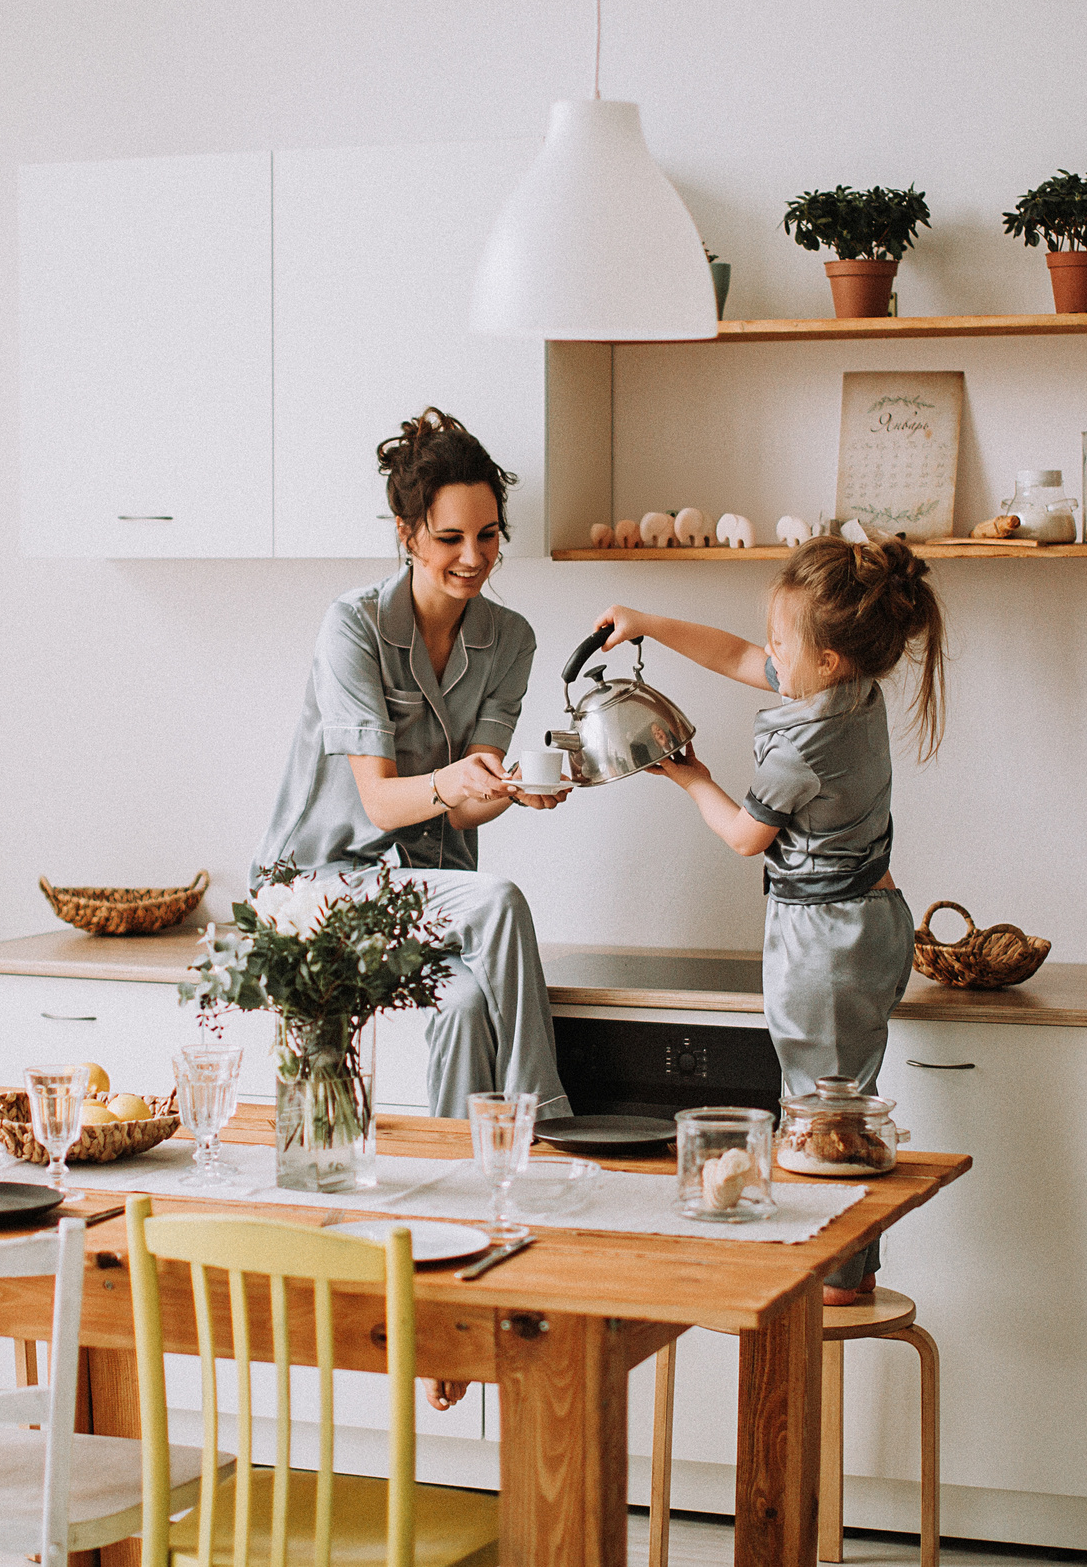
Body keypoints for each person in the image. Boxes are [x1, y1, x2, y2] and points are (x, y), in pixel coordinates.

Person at [594, 533, 946, 1300]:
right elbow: (733, 654)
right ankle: (847, 1268)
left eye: (782, 641)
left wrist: (688, 776)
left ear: (827, 659)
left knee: (823, 1119)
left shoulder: (804, 748)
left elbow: (744, 836)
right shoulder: (855, 691)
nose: (769, 652)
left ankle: (836, 1283)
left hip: (825, 942)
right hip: (876, 917)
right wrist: (646, 621)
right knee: (845, 1097)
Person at [253, 409, 571, 1119]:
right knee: (499, 899)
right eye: (449, 537)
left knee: (461, 1003)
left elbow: (466, 801)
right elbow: (381, 804)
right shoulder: (353, 626)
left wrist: (514, 789)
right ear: (407, 534)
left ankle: (464, 1176)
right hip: (317, 887)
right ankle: (545, 1120)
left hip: (424, 893)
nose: (474, 556)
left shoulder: (510, 639)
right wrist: (451, 779)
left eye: (488, 535)